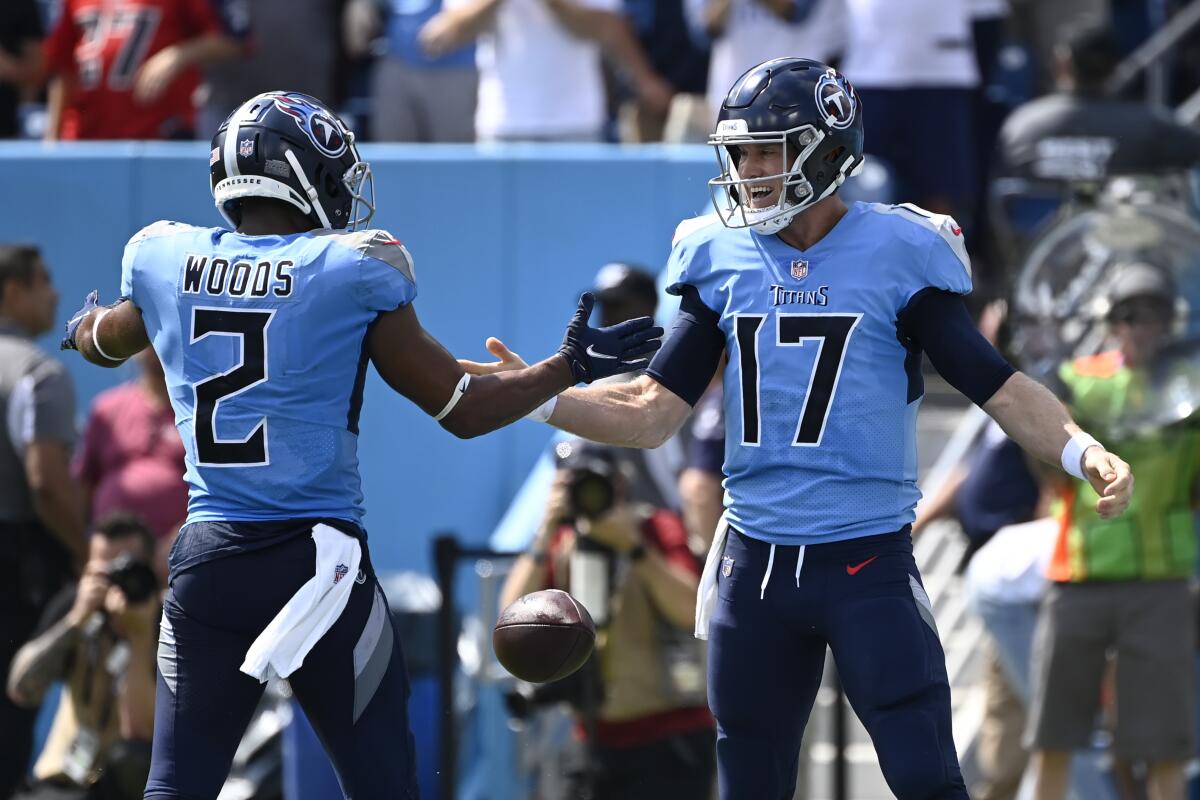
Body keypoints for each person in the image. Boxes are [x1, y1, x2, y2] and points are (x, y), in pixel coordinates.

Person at [460, 57, 1134, 800]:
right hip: (757, 567)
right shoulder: (717, 253)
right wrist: (540, 395)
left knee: (925, 778)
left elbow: (997, 386)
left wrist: (1082, 449)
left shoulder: (899, 251)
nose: (745, 169)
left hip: (866, 561)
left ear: (827, 150)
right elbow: (652, 412)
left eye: (764, 150)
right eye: (738, 151)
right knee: (750, 780)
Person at [57, 90, 662, 798]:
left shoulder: (165, 258)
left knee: (177, 784)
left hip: (208, 558)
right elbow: (460, 409)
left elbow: (104, 339)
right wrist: (567, 366)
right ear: (303, 174)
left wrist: (81, 324)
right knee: (384, 786)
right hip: (317, 563)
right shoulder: (349, 268)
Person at [1027, 263, 1197, 800]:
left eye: (1150, 317)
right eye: (1127, 316)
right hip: (1079, 572)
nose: (1138, 329)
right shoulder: (1075, 381)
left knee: (1164, 744)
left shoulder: (1191, 389)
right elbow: (1045, 462)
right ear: (1110, 321)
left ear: (1170, 322)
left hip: (1161, 583)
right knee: (1053, 734)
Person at [500, 439, 714, 800]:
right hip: (593, 739)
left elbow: (691, 609)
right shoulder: (563, 542)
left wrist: (633, 546)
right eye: (574, 484)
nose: (590, 494)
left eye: (598, 482)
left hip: (672, 737)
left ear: (621, 483)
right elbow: (512, 618)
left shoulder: (655, 528)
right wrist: (547, 528)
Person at [0, 244, 85, 800]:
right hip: (14, 565)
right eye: (44, 281)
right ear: (13, 291)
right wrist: (82, 550)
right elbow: (47, 483)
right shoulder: (38, 373)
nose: (55, 292)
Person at [7, 514, 161, 800]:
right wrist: (76, 620)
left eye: (126, 571)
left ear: (150, 570)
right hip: (62, 785)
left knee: (132, 758)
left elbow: (142, 731)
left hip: (130, 786)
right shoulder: (75, 607)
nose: (116, 585)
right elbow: (21, 690)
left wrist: (139, 638)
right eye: (105, 574)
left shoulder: (168, 623)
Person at [41, 0, 248, 140]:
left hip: (158, 136)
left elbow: (233, 39)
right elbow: (63, 66)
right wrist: (52, 138)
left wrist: (176, 56)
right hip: (86, 136)